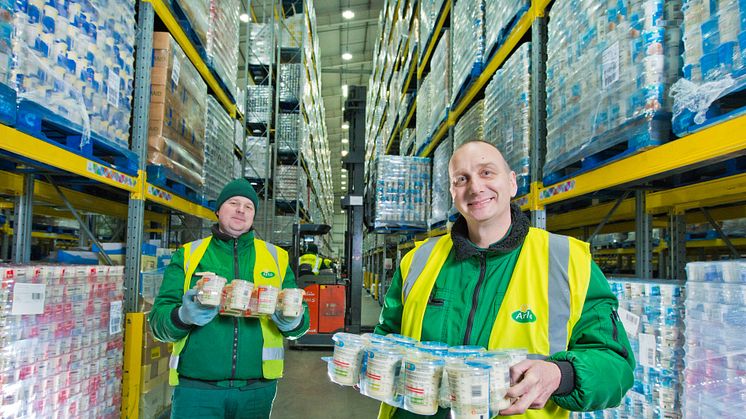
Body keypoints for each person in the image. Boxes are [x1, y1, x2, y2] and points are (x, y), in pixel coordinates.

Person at [375, 141, 635, 419]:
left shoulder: (568, 260)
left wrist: (561, 374)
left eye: (487, 172)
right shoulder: (418, 260)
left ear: (512, 183)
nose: (475, 187)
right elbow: (387, 338)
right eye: (461, 179)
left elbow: (616, 365)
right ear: (453, 193)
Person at [149, 177, 309, 419]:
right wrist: (181, 316)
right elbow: (158, 323)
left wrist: (292, 322)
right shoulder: (189, 255)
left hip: (256, 389)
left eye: (248, 206)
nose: (240, 210)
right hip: (197, 389)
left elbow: (301, 319)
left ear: (254, 215)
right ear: (218, 209)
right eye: (233, 202)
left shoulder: (276, 258)